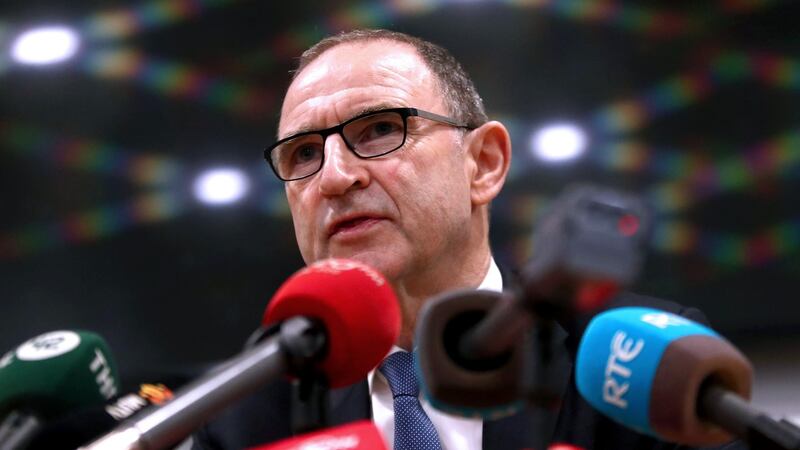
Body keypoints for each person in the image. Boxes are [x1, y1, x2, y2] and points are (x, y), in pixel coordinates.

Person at [191, 29, 745, 450]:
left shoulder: (635, 365)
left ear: (483, 163)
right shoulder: (252, 405)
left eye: (381, 129)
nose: (334, 177)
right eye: (304, 154)